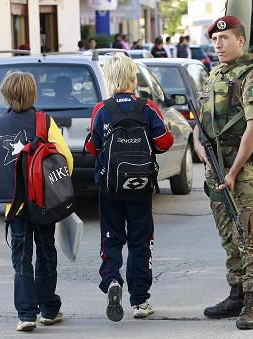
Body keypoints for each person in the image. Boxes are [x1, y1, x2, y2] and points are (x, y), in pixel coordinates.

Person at [193, 16, 253, 330]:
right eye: (215, 40)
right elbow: (202, 126)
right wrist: (201, 150)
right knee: (229, 238)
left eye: (225, 39)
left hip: (244, 173)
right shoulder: (215, 75)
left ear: (241, 41)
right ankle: (236, 294)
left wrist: (233, 171)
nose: (218, 45)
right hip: (217, 170)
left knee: (250, 238)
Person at [85, 54, 174, 322]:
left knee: (111, 237)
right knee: (140, 240)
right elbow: (164, 142)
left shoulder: (102, 109)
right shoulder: (147, 107)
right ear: (133, 78)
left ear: (109, 79)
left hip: (110, 186)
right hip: (141, 185)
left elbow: (93, 147)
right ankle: (140, 300)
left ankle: (112, 280)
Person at [0, 72, 73, 332]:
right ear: (34, 93)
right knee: (46, 251)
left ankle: (26, 314)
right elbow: (65, 159)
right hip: (42, 200)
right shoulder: (44, 122)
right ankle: (49, 309)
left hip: (13, 203)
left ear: (5, 94)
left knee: (22, 256)